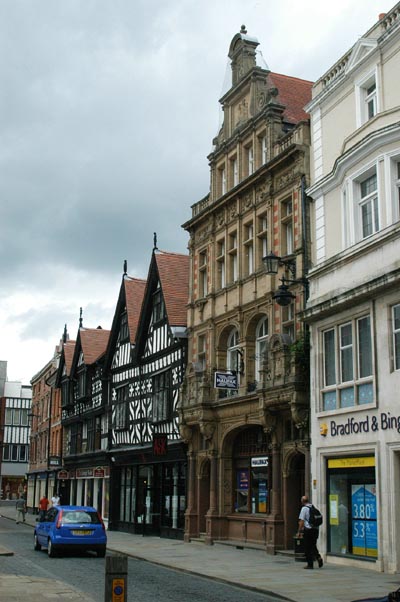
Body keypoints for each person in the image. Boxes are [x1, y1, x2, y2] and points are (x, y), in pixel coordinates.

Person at [297, 495, 323, 569]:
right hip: (315, 530)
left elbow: (301, 521)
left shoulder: (304, 509)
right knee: (313, 545)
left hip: (308, 530)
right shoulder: (313, 507)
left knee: (307, 547)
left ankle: (310, 564)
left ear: (302, 501)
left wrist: (299, 531)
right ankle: (318, 557)